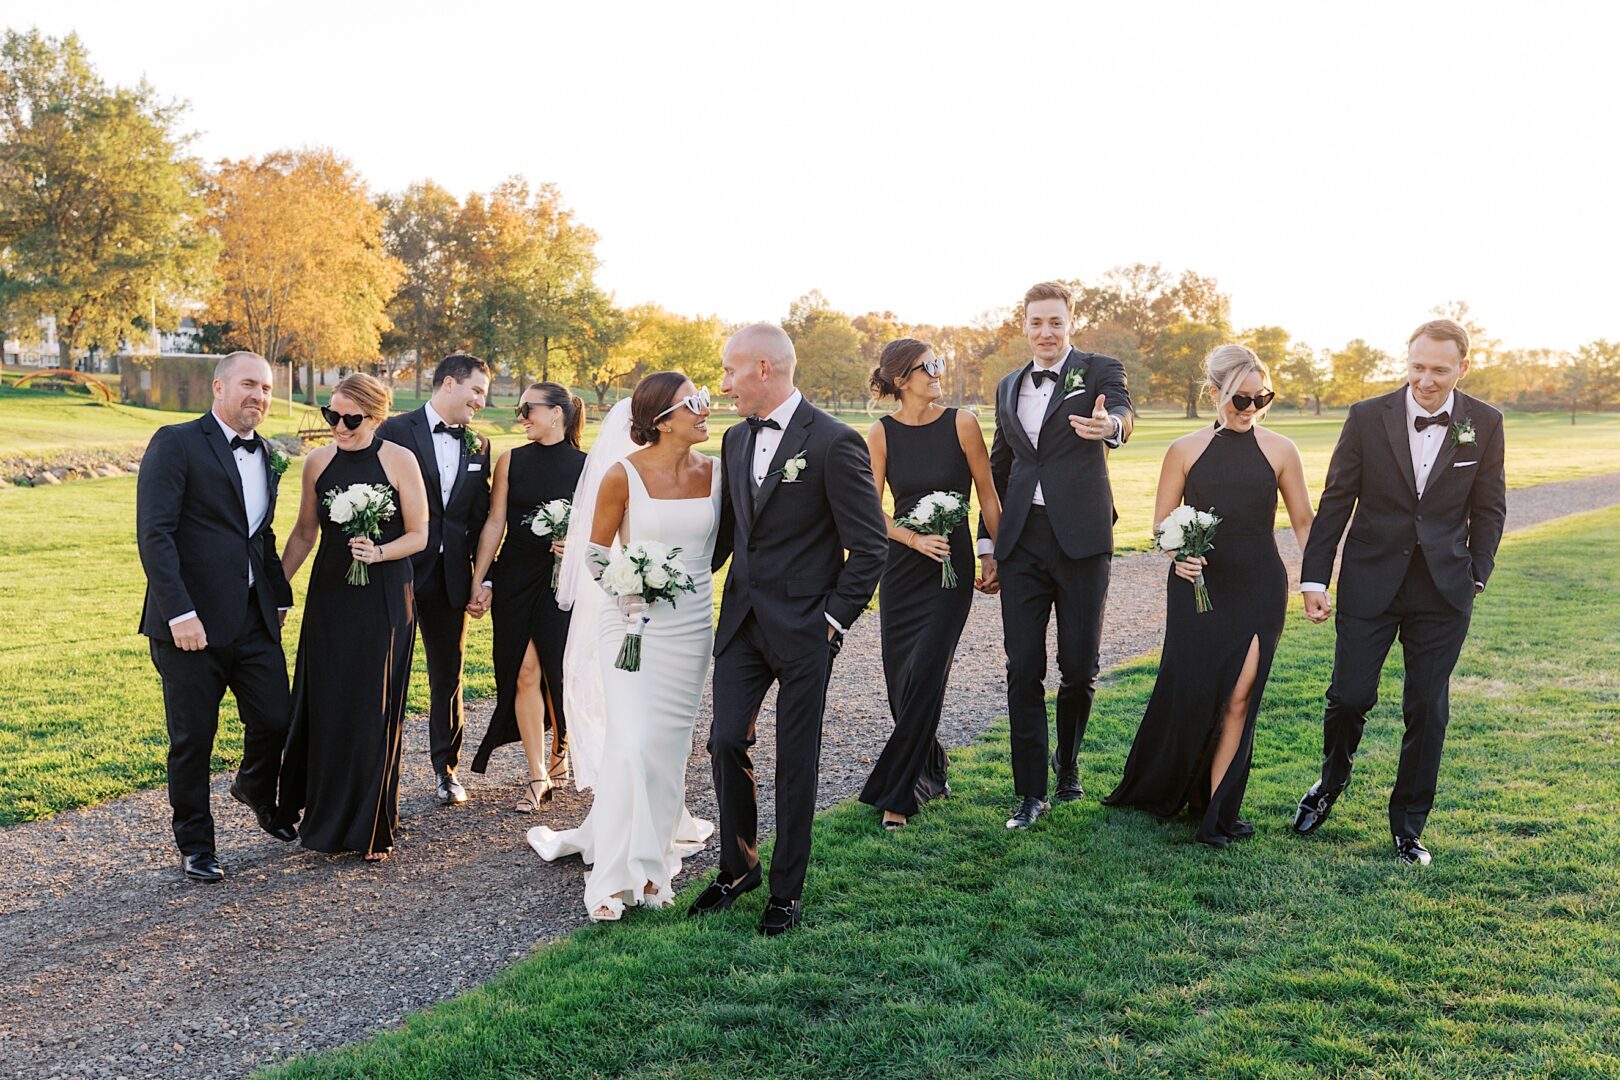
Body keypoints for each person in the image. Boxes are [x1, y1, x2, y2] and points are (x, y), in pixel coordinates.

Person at [688, 323, 888, 936]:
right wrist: (668, 571)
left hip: (806, 630)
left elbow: (871, 547)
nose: (722, 386)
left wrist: (831, 622)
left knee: (796, 761)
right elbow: (731, 533)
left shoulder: (835, 443)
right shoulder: (732, 439)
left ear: (764, 370)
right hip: (743, 622)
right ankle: (738, 865)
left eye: (729, 372)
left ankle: (786, 889)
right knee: (724, 741)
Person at [1292, 318, 1506, 865]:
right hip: (1371, 582)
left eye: (1438, 369)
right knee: (1348, 698)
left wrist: (1477, 573)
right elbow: (1337, 499)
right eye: (1417, 366)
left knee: (1427, 710)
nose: (1425, 380)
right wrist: (1315, 577)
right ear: (1407, 361)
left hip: (1443, 591)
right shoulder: (1367, 417)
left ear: (1462, 366)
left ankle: (1408, 826)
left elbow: (1488, 507)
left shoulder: (1485, 422)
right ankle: (1330, 782)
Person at [1103, 345, 1315, 846]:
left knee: (1241, 695)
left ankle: (1217, 810)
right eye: (1240, 399)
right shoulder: (1184, 449)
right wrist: (1178, 554)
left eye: (1261, 398)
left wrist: (1316, 582)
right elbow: (1161, 524)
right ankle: (1176, 786)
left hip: (1260, 585)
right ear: (1215, 393)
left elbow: (1305, 522)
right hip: (1197, 586)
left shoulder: (1282, 449)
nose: (1251, 409)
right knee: (1194, 693)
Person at [528, 373, 719, 921]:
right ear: (662, 417)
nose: (707, 410)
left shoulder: (717, 474)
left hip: (690, 627)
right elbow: (591, 555)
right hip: (630, 624)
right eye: (695, 404)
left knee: (667, 748)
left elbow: (719, 548)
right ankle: (613, 876)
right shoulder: (622, 475)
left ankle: (654, 862)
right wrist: (626, 589)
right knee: (632, 742)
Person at [136, 351, 298, 883]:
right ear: (218, 387)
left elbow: (260, 534)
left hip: (253, 620)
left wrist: (276, 596)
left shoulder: (269, 453)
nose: (260, 395)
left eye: (268, 388)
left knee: (278, 716)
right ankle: (196, 845)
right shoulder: (176, 442)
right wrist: (179, 612)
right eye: (249, 384)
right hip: (189, 626)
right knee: (193, 739)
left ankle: (254, 787)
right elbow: (154, 534)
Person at [981, 281, 1135, 830]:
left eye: (1055, 322)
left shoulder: (1098, 369)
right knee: (1023, 667)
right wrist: (987, 544)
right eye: (1035, 323)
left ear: (1071, 321)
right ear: (1023, 326)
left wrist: (1110, 427)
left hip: (1082, 542)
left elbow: (1120, 410)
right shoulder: (1006, 386)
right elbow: (998, 469)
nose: (1045, 332)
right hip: (1022, 541)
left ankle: (1067, 766)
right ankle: (1030, 793)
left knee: (1078, 667)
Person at [278, 373, 429, 860]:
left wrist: (379, 552)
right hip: (330, 597)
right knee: (328, 701)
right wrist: (278, 588)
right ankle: (323, 819)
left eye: (349, 419)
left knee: (372, 706)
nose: (338, 427)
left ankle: (370, 826)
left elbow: (420, 534)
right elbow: (304, 533)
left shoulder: (400, 461)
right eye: (331, 416)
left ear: (375, 417)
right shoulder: (317, 462)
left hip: (384, 596)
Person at [859, 338, 1001, 831]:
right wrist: (911, 539)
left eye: (939, 364)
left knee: (926, 673)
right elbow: (869, 511)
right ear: (902, 379)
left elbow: (987, 492)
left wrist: (994, 552)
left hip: (952, 567)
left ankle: (898, 793)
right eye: (929, 366)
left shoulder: (961, 423)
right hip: (902, 568)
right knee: (901, 681)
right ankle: (933, 767)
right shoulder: (880, 434)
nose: (938, 372)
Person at [376, 353, 491, 805]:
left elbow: (481, 520)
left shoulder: (479, 445)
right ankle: (380, 773)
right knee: (389, 678)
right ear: (448, 383)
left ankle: (446, 771)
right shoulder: (394, 431)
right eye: (476, 390)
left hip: (451, 580)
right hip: (399, 573)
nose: (480, 400)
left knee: (448, 676)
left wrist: (485, 580)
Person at [467, 382, 587, 809]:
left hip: (562, 581)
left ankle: (561, 750)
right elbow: (495, 522)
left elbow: (603, 530)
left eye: (527, 409)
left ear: (557, 413)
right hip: (515, 577)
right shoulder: (510, 460)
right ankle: (537, 775)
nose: (521, 418)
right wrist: (479, 580)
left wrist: (576, 547)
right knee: (523, 670)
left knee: (558, 672)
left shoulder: (588, 466)